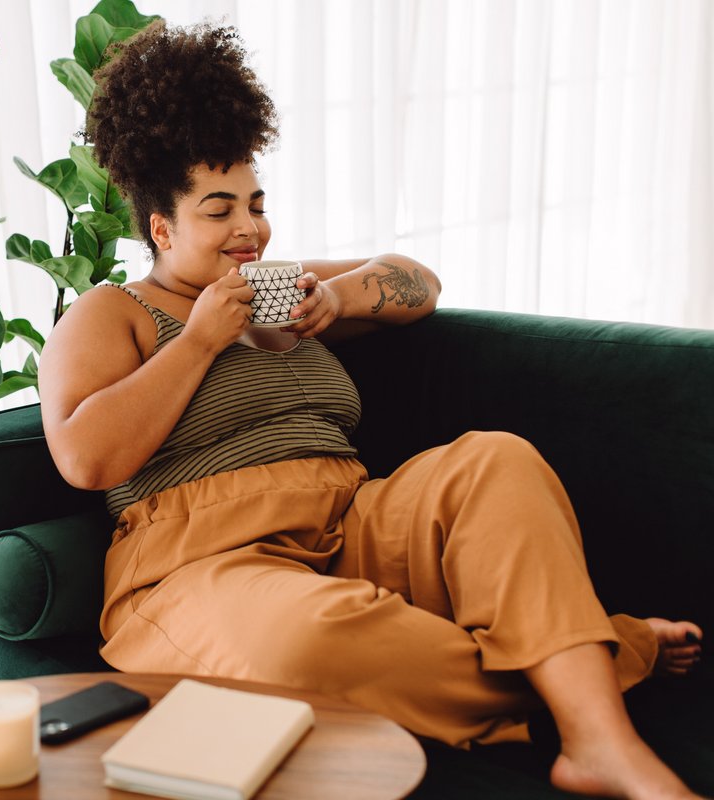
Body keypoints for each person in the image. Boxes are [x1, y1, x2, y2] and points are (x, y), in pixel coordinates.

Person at [37, 20, 704, 800]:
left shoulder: (281, 283)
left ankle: (601, 744)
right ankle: (596, 660)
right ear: (162, 227)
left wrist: (341, 297)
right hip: (202, 567)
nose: (249, 228)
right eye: (218, 211)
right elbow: (85, 457)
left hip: (352, 523)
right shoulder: (113, 312)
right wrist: (199, 342)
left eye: (256, 202)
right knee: (308, 642)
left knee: (498, 460)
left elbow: (417, 282)